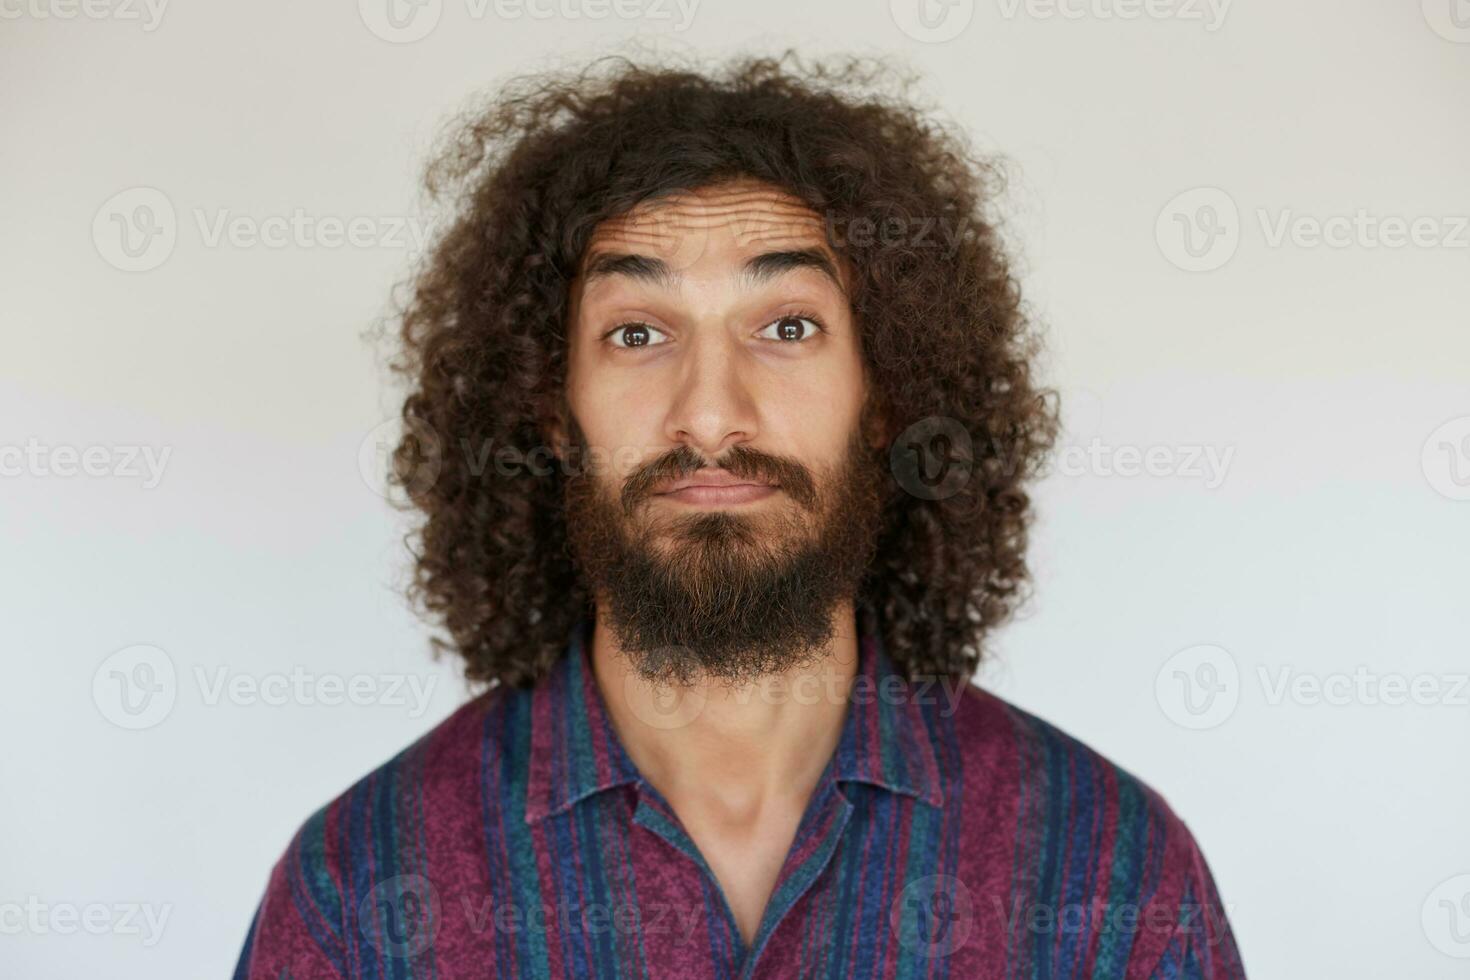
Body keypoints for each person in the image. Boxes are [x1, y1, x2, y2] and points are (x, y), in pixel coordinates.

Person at [233, 52, 1244, 979]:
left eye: (788, 326)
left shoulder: (1110, 875)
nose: (711, 411)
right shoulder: (361, 896)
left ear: (883, 389)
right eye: (637, 331)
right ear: (550, 402)